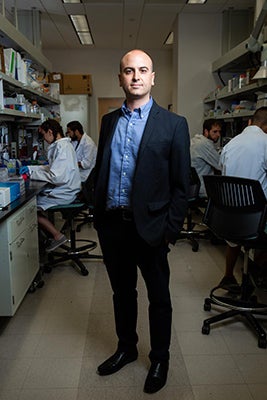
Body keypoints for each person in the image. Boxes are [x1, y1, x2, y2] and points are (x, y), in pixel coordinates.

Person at [93, 49, 190, 394]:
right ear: (120, 77)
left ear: (153, 78)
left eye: (143, 70)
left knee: (159, 297)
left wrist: (170, 231)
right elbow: (102, 170)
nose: (136, 76)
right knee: (122, 293)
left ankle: (160, 357)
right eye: (129, 71)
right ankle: (127, 348)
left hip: (151, 228)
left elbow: (182, 185)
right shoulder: (108, 122)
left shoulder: (173, 125)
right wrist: (96, 208)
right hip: (113, 226)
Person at [218, 107, 267, 292]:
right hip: (255, 220)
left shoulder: (231, 144)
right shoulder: (265, 142)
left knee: (236, 237)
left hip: (227, 217)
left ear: (250, 122)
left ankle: (228, 275)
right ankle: (258, 271)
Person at [19, 119, 81, 253]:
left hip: (65, 192)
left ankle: (57, 236)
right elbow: (52, 167)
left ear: (50, 132)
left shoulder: (62, 148)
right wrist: (31, 169)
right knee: (34, 203)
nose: (43, 139)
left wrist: (32, 175)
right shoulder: (61, 146)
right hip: (66, 188)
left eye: (43, 135)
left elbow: (56, 176)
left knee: (30, 209)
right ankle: (49, 238)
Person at [190, 119, 222, 196]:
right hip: (202, 190)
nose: (218, 135)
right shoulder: (204, 144)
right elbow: (221, 165)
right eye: (215, 131)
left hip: (191, 188)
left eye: (219, 131)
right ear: (206, 131)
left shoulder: (195, 140)